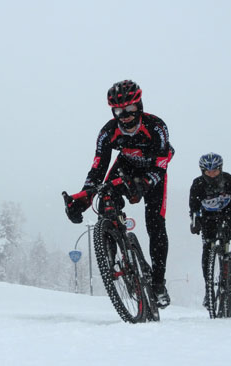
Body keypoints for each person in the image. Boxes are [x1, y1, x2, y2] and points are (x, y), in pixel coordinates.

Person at [65, 80, 174, 308]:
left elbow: (163, 160)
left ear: (139, 107)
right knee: (105, 197)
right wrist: (82, 199)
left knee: (155, 224)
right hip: (126, 167)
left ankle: (158, 283)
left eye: (130, 110)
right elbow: (97, 168)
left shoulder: (156, 127)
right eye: (118, 111)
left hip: (153, 172)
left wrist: (145, 183)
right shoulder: (108, 132)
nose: (124, 116)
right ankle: (115, 251)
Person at [189, 152, 231, 306]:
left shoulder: (229, 180)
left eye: (215, 171)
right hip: (209, 218)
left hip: (228, 214)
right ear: (202, 171)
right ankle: (208, 288)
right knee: (207, 249)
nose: (212, 174)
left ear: (220, 169)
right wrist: (195, 222)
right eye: (208, 172)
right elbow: (194, 208)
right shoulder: (198, 184)